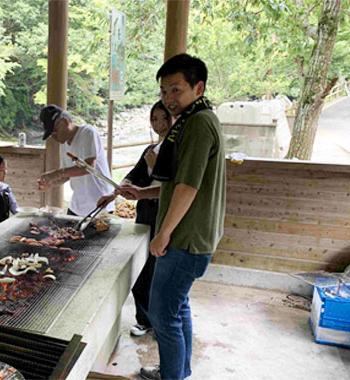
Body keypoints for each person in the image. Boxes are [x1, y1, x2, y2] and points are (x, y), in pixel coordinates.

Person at [119, 54, 225, 380]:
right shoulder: (193, 119)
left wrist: (162, 234)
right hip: (191, 237)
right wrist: (143, 193)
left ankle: (171, 376)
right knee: (178, 308)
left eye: (176, 90)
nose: (169, 99)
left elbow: (189, 186)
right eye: (164, 91)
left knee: (164, 316)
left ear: (198, 87)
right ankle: (178, 370)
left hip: (184, 240)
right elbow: (178, 185)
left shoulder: (199, 123)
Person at [97, 101, 173, 338]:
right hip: (145, 214)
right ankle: (145, 320)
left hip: (165, 216)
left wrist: (155, 167)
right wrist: (113, 193)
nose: (159, 124)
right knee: (141, 269)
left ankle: (163, 323)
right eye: (155, 119)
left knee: (160, 272)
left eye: (164, 118)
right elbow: (132, 177)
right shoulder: (151, 149)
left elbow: (171, 187)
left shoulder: (177, 149)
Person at [38, 104, 115, 216]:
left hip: (100, 204)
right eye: (50, 135)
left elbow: (88, 167)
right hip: (77, 206)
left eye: (54, 132)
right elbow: (67, 174)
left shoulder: (87, 133)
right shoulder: (63, 144)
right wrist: (51, 182)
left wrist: (55, 174)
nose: (53, 137)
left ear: (64, 122)